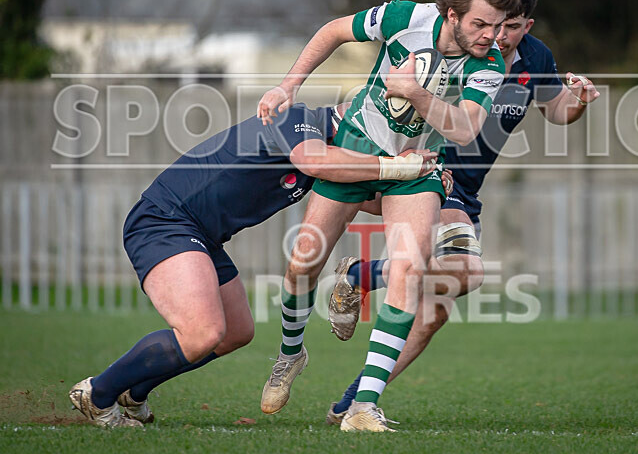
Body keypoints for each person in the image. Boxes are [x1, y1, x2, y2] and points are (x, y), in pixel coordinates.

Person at [324, 0, 601, 425]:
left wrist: (581, 99)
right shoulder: (459, 50)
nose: (497, 35)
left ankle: (354, 400)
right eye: (491, 25)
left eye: (510, 26)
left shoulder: (535, 58)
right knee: (466, 271)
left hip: (469, 189)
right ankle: (361, 276)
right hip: (435, 173)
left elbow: (557, 112)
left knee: (432, 314)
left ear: (526, 26)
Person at [256, 0, 520, 432]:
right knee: (302, 262)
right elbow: (334, 30)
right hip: (357, 148)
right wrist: (289, 83)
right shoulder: (405, 17)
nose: (492, 35)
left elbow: (464, 128)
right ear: (452, 15)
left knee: (409, 268)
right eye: (481, 24)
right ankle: (291, 354)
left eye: (499, 25)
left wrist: (416, 94)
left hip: (418, 168)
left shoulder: (490, 63)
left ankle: (363, 407)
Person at [67, 103, 439, 428]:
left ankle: (134, 393)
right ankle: (98, 394)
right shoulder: (299, 120)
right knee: (202, 333)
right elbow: (317, 160)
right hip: (165, 221)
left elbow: (369, 195)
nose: (370, 146)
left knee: (236, 332)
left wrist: (427, 182)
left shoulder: (329, 156)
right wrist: (396, 167)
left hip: (203, 236)